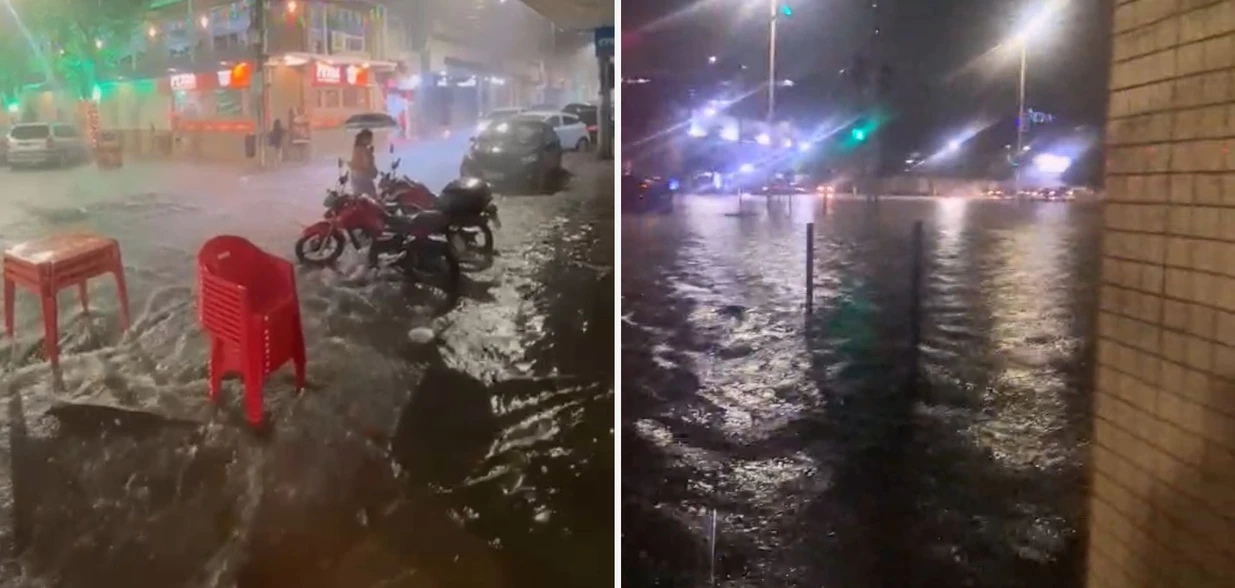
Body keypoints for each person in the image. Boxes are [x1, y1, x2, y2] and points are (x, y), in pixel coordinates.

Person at [349, 129, 378, 197]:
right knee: (371, 196)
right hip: (363, 176)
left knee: (359, 196)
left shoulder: (356, 148)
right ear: (364, 139)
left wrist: (370, 152)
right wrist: (370, 154)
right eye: (370, 138)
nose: (371, 140)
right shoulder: (364, 150)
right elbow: (367, 164)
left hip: (354, 175)